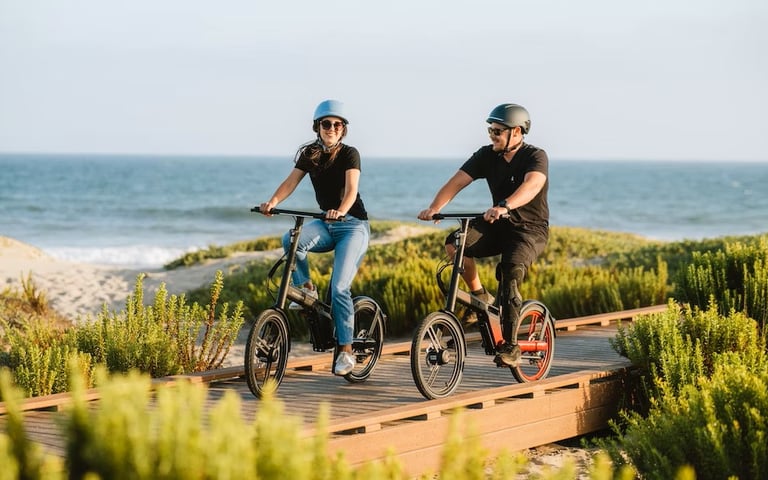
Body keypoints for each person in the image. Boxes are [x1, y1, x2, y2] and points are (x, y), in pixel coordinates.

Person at [417, 103, 549, 367]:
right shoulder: (486, 155)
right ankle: (480, 295)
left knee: (509, 271)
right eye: (490, 130)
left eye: (498, 131)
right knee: (456, 244)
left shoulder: (536, 156)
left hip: (529, 230)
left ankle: (511, 347)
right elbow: (457, 181)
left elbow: (532, 185)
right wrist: (435, 208)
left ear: (517, 132)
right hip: (498, 224)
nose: (492, 135)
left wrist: (505, 205)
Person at [259, 99, 370, 376]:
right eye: (326, 124)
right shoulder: (310, 153)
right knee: (291, 240)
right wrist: (272, 202)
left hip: (352, 225)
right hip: (326, 223)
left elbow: (351, 190)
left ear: (343, 129)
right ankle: (306, 287)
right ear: (317, 127)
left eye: (337, 124)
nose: (331, 128)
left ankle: (345, 350)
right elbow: (291, 182)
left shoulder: (350, 154)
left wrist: (341, 211)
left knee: (340, 287)